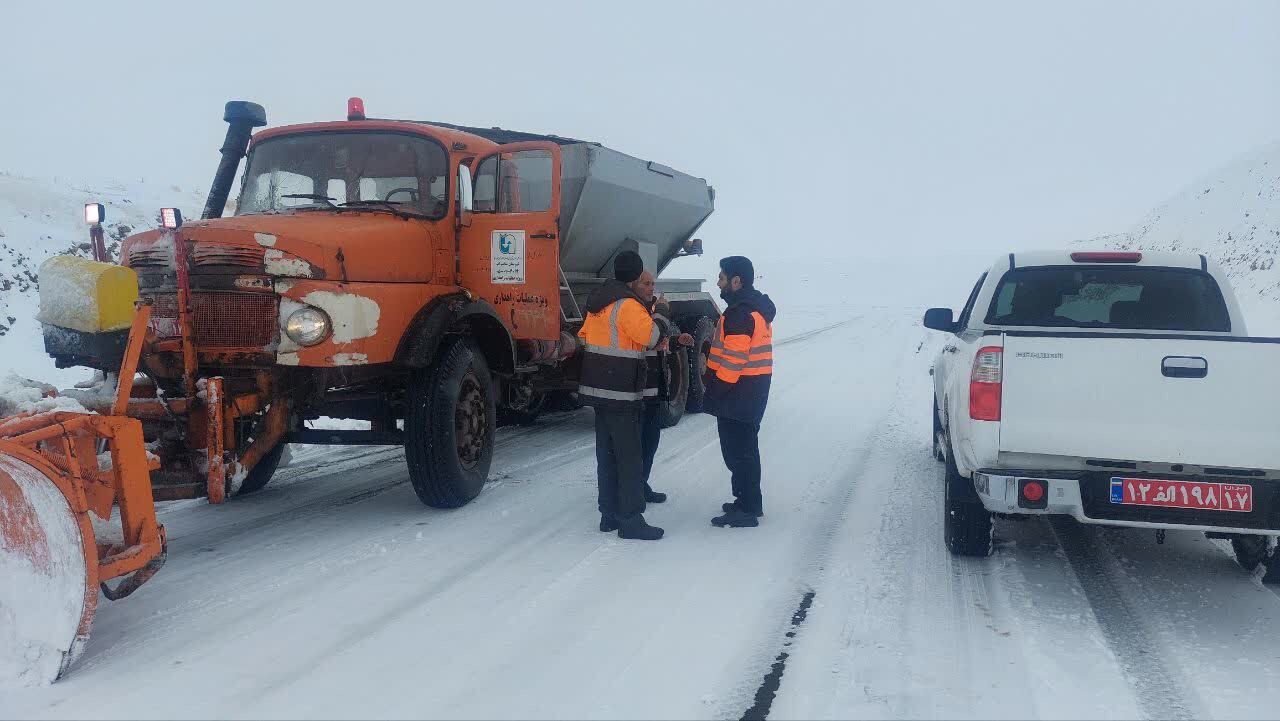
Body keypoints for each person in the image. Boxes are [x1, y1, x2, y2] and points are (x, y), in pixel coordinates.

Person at [577, 251, 665, 540]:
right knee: (629, 458)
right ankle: (630, 520)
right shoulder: (628, 305)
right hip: (622, 392)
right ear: (636, 276)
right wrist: (661, 316)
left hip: (598, 390)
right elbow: (651, 337)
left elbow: (583, 336)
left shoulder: (598, 302)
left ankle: (609, 515)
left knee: (607, 456)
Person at [704, 255, 776, 528]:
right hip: (751, 392)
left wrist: (714, 392)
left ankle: (746, 509)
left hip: (738, 394)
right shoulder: (756, 308)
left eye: (721, 278)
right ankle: (749, 502)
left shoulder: (739, 314)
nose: (718, 283)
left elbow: (733, 363)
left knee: (738, 453)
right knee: (745, 450)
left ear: (736, 281)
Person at [631, 271, 694, 504]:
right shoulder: (633, 311)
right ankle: (631, 490)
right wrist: (662, 312)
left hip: (654, 389)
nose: (651, 288)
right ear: (633, 284)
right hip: (638, 391)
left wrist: (676, 342)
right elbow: (644, 341)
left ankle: (641, 484)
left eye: (653, 284)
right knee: (637, 445)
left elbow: (656, 342)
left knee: (650, 441)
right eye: (646, 283)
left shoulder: (648, 310)